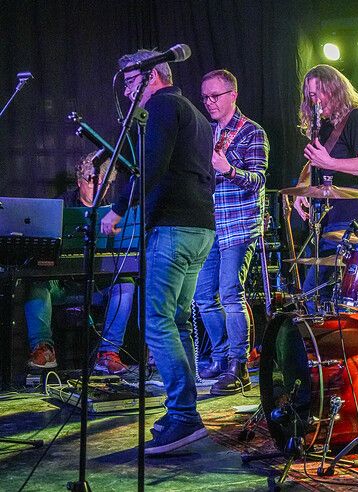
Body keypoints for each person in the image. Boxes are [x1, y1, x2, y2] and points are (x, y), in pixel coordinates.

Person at [101, 49, 215, 455]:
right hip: (199, 227)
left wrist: (116, 209)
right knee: (178, 320)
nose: (129, 91)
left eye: (132, 83)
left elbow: (151, 166)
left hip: (172, 228)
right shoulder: (194, 113)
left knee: (155, 321)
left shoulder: (164, 106)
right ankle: (184, 411)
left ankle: (183, 415)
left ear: (151, 78)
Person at [25, 151, 135, 374]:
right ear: (79, 182)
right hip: (62, 285)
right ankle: (44, 349)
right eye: (92, 181)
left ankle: (108, 353)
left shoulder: (112, 212)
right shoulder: (60, 206)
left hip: (95, 285)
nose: (98, 187)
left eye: (105, 183)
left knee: (125, 284)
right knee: (36, 283)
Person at [193, 69, 268, 395]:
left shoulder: (252, 132)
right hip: (210, 225)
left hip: (239, 225)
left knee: (229, 294)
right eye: (205, 96)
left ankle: (239, 366)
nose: (209, 102)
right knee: (202, 297)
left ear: (232, 95)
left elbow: (258, 181)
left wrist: (228, 169)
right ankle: (221, 358)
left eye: (215, 96)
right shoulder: (206, 133)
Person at [293, 64, 358, 309]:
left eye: (318, 93)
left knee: (324, 293)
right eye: (310, 96)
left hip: (353, 219)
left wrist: (330, 162)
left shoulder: (357, 118)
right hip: (328, 219)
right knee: (317, 296)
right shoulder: (324, 126)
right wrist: (302, 190)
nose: (315, 101)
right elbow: (314, 163)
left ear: (334, 89)